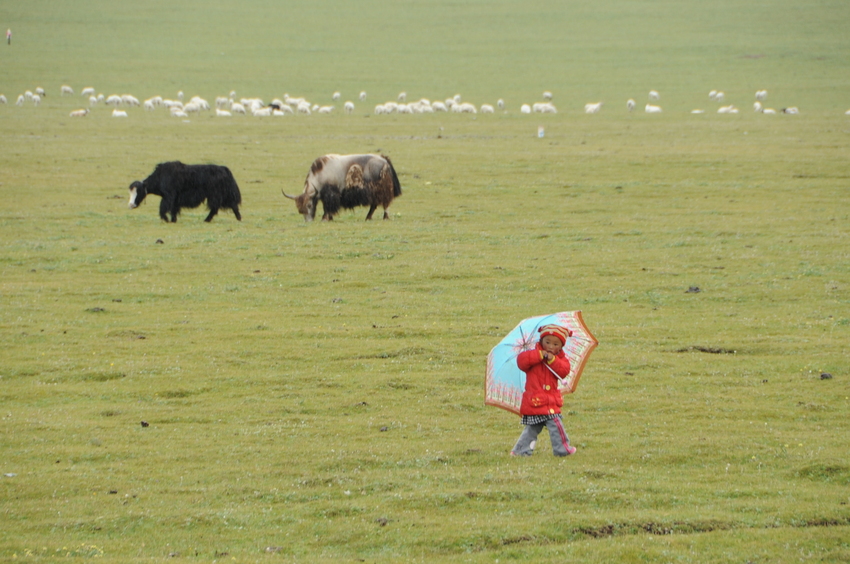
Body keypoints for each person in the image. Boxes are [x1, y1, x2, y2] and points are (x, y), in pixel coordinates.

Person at [511, 324, 577, 456]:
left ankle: (521, 451)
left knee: (538, 427)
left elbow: (564, 370)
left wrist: (553, 361)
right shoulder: (533, 355)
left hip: (551, 401)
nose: (551, 347)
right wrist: (538, 356)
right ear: (541, 341)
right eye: (547, 342)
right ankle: (562, 450)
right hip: (535, 401)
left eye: (556, 344)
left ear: (561, 346)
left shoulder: (561, 359)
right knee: (549, 425)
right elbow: (522, 362)